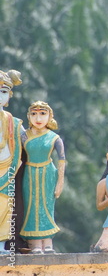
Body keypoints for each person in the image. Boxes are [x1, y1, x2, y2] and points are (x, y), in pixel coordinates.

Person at [20, 101, 65, 254]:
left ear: (50, 116)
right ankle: (34, 243)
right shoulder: (24, 136)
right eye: (34, 114)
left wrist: (60, 181)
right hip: (29, 174)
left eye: (42, 114)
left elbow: (62, 160)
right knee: (31, 206)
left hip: (48, 174)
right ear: (28, 116)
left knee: (46, 206)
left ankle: (47, 242)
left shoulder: (54, 137)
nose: (38, 118)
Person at [0, 70, 23, 254]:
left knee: (6, 207)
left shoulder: (13, 122)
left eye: (4, 91)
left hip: (8, 167)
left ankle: (1, 245)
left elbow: (26, 138)